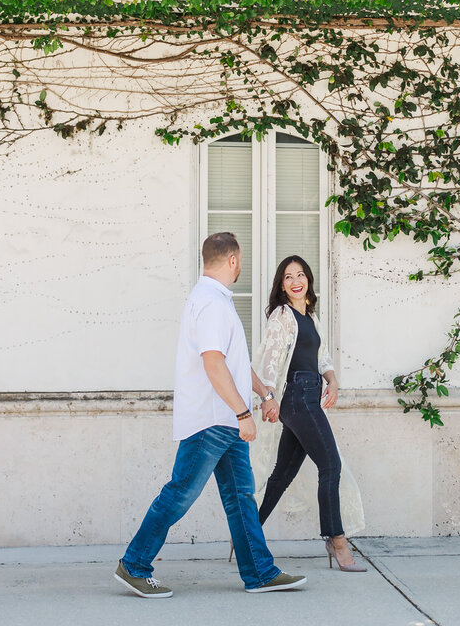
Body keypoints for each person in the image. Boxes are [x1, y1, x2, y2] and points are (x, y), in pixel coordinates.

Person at [115, 232, 307, 597]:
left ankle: (259, 573)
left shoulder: (213, 300)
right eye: (241, 261)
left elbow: (233, 364)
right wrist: (242, 414)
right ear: (233, 261)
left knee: (240, 497)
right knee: (179, 494)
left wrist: (264, 393)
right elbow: (214, 364)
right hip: (212, 420)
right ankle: (134, 565)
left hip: (223, 421)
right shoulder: (212, 303)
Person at [251, 254, 367, 573]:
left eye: (300, 274)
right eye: (288, 277)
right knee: (330, 465)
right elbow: (271, 361)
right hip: (297, 397)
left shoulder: (310, 318)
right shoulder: (282, 315)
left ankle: (248, 533)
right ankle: (337, 540)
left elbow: (323, 357)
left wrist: (333, 381)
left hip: (311, 396)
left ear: (308, 281)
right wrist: (268, 397)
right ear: (282, 285)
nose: (295, 281)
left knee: (282, 474)